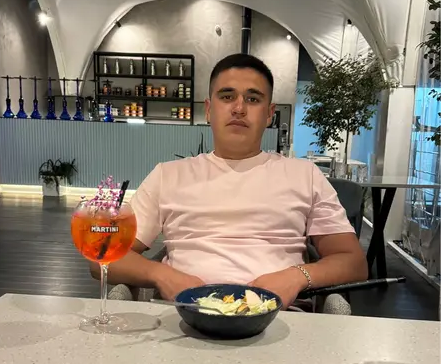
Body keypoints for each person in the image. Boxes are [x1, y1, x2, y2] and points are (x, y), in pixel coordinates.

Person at [91, 53, 368, 308]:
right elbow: (102, 257)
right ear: (209, 109)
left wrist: (296, 276)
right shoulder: (168, 175)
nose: (239, 108)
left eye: (253, 99)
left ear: (269, 114)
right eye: (227, 96)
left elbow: (353, 261)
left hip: (279, 319)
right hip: (181, 318)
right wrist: (161, 274)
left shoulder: (304, 175)